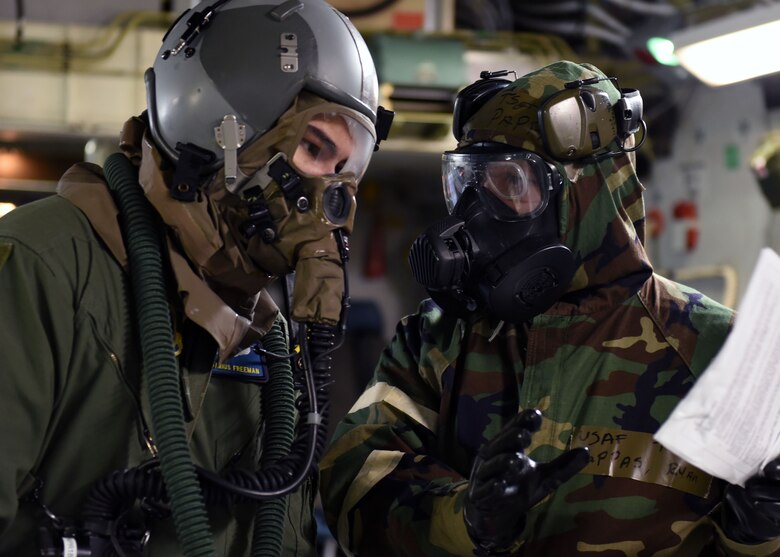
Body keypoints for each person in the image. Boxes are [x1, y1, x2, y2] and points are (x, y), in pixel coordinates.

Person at [319, 60, 780, 556]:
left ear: (586, 194)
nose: (479, 210)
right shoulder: (438, 339)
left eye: (511, 183)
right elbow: (351, 485)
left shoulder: (719, 351)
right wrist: (467, 519)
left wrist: (758, 536)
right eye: (467, 182)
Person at [0, 0, 392, 555]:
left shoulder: (267, 341)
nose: (330, 200)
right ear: (220, 126)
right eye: (313, 148)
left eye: (343, 171)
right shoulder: (43, 268)